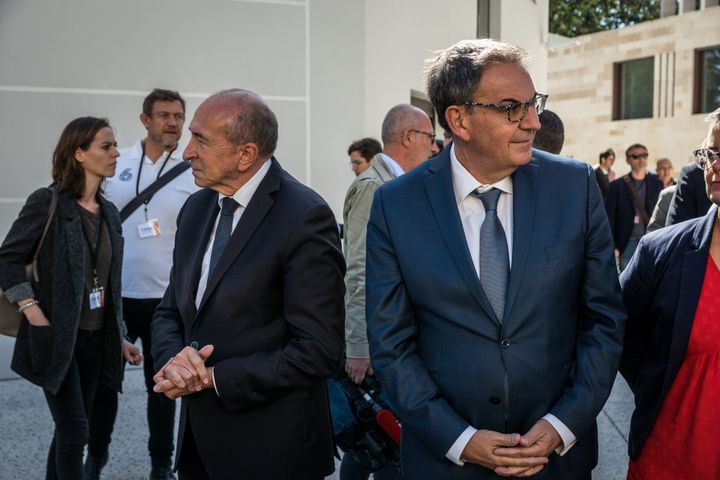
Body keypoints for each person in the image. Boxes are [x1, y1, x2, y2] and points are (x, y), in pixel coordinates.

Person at [365, 39, 625, 479]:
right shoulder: (396, 204)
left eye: (533, 104)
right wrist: (460, 439)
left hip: (555, 460)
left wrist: (563, 424)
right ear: (458, 120)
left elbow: (604, 321)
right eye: (512, 108)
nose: (533, 122)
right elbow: (391, 345)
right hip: (444, 461)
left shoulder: (575, 187)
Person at [150, 89, 345, 480]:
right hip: (198, 446)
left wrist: (212, 378)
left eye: (201, 140)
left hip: (271, 449)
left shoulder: (304, 216)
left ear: (246, 154)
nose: (187, 151)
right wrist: (175, 362)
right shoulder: (196, 207)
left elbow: (320, 351)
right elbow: (171, 309)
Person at [0, 117, 141, 479]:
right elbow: (7, 261)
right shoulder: (46, 203)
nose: (116, 153)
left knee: (70, 429)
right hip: (56, 337)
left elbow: (110, 281)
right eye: (106, 146)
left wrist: (121, 334)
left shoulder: (109, 213)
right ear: (79, 153)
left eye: (115, 145)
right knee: (76, 430)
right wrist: (33, 313)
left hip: (96, 339)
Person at [86, 89, 196, 480]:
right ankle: (95, 457)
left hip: (167, 301)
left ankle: (161, 464)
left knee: (164, 387)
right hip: (116, 299)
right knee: (105, 384)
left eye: (179, 116)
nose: (173, 123)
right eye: (164, 115)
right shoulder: (118, 163)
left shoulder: (191, 168)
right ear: (145, 120)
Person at [619, 108, 720, 480]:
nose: (714, 166)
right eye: (710, 154)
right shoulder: (662, 251)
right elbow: (616, 331)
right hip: (671, 457)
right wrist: (655, 385)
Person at [340, 103, 436, 480]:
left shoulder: (398, 185)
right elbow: (359, 270)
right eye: (430, 138)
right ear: (408, 136)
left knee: (382, 441)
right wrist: (359, 346)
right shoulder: (372, 187)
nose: (434, 146)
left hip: (397, 335)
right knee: (376, 441)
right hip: (377, 341)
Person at [605, 144, 663, 271]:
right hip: (627, 242)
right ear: (628, 160)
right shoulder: (616, 186)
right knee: (627, 282)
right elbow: (609, 218)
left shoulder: (657, 183)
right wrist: (613, 246)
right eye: (636, 156)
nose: (641, 159)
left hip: (652, 240)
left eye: (644, 155)